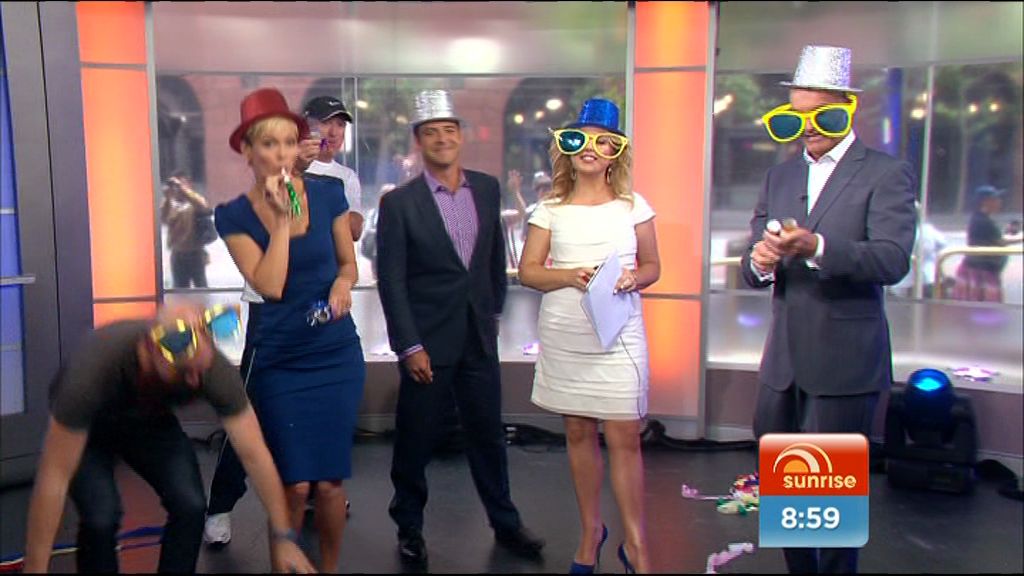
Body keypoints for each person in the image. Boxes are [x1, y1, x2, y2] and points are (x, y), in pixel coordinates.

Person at [742, 45, 917, 574]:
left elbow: (891, 260)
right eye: (797, 116)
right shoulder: (780, 178)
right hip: (783, 363)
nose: (808, 127)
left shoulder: (885, 173)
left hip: (844, 362)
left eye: (821, 114)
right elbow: (752, 262)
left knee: (830, 503)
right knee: (786, 494)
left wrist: (816, 247)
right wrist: (760, 261)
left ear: (847, 108)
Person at [375, 89, 545, 568]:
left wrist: (494, 317)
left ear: (460, 137)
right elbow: (392, 281)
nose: (442, 139)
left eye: (449, 130)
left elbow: (492, 261)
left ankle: (506, 522)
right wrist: (409, 345)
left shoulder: (487, 189)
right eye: (431, 132)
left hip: (477, 338)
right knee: (416, 439)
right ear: (419, 141)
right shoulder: (399, 204)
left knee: (488, 434)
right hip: (427, 343)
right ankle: (409, 525)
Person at [22, 305, 314, 574]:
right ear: (148, 350)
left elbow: (254, 454)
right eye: (185, 373)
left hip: (149, 421)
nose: (194, 382)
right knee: (101, 516)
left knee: (190, 505)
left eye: (199, 372)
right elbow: (54, 479)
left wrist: (284, 535)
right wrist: (35, 567)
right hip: (90, 429)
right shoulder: (93, 369)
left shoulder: (212, 370)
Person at [212, 87, 366, 572]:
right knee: (295, 485)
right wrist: (282, 220)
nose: (280, 153)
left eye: (287, 141)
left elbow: (348, 264)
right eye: (268, 143)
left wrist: (342, 284)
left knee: (330, 485)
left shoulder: (330, 192)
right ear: (248, 152)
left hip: (335, 352)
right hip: (280, 355)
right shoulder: (233, 215)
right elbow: (271, 285)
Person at [518, 98, 660, 574]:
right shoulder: (549, 209)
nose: (590, 149)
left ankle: (635, 543)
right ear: (567, 147)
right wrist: (571, 275)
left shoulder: (633, 207)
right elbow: (529, 272)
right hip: (567, 331)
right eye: (579, 139)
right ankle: (590, 532)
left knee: (625, 434)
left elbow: (653, 266)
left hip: (619, 333)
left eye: (603, 142)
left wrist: (632, 278)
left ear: (616, 151)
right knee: (578, 432)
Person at [297, 95, 365, 243]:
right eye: (326, 123)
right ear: (306, 127)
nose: (333, 133)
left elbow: (354, 230)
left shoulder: (348, 176)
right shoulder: (290, 167)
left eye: (340, 125)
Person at [952, 185, 1010, 302]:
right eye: (996, 199)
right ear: (986, 202)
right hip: (980, 272)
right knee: (983, 307)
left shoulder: (982, 219)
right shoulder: (983, 221)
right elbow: (1000, 241)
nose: (999, 202)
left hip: (984, 269)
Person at [160, 172, 214, 288]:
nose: (178, 188)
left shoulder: (194, 202)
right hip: (178, 254)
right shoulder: (171, 205)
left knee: (201, 288)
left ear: (189, 185)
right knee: (180, 290)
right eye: (176, 186)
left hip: (196, 252)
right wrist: (167, 197)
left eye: (182, 184)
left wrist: (184, 190)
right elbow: (163, 218)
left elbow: (203, 206)